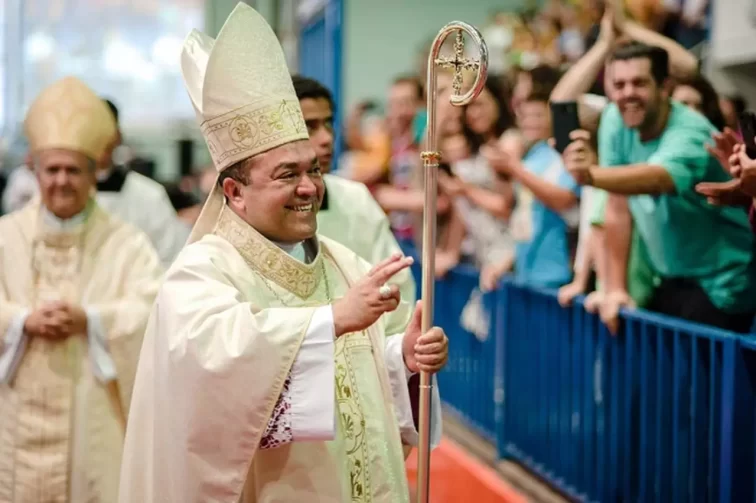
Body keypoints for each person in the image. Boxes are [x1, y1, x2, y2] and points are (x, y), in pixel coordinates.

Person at [118, 4, 447, 502]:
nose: (309, 188)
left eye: (312, 170)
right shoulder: (203, 271)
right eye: (287, 175)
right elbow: (213, 373)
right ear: (234, 192)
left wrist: (402, 358)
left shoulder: (343, 263)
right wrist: (332, 319)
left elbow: (357, 383)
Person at [0, 76, 162, 502]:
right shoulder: (6, 236)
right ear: (34, 171)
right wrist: (21, 320)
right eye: (51, 169)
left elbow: (154, 311)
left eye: (74, 170)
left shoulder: (127, 242)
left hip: (95, 420)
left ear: (94, 173)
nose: (61, 181)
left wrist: (91, 320)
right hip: (14, 415)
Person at [563, 42, 756, 334]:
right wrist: (615, 288)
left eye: (639, 83)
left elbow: (658, 178)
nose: (627, 93)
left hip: (722, 283)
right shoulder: (616, 117)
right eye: (619, 84)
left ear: (664, 87)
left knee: (703, 378)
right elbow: (617, 204)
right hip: (668, 278)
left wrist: (590, 175)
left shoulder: (691, 129)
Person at [292, 74, 417, 304]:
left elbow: (396, 283)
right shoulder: (261, 209)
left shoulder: (356, 198)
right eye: (309, 126)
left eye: (328, 124)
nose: (326, 138)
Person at [96, 99, 187, 266]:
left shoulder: (149, 196)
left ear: (118, 135)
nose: (97, 136)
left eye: (104, 128)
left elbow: (172, 260)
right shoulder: (60, 198)